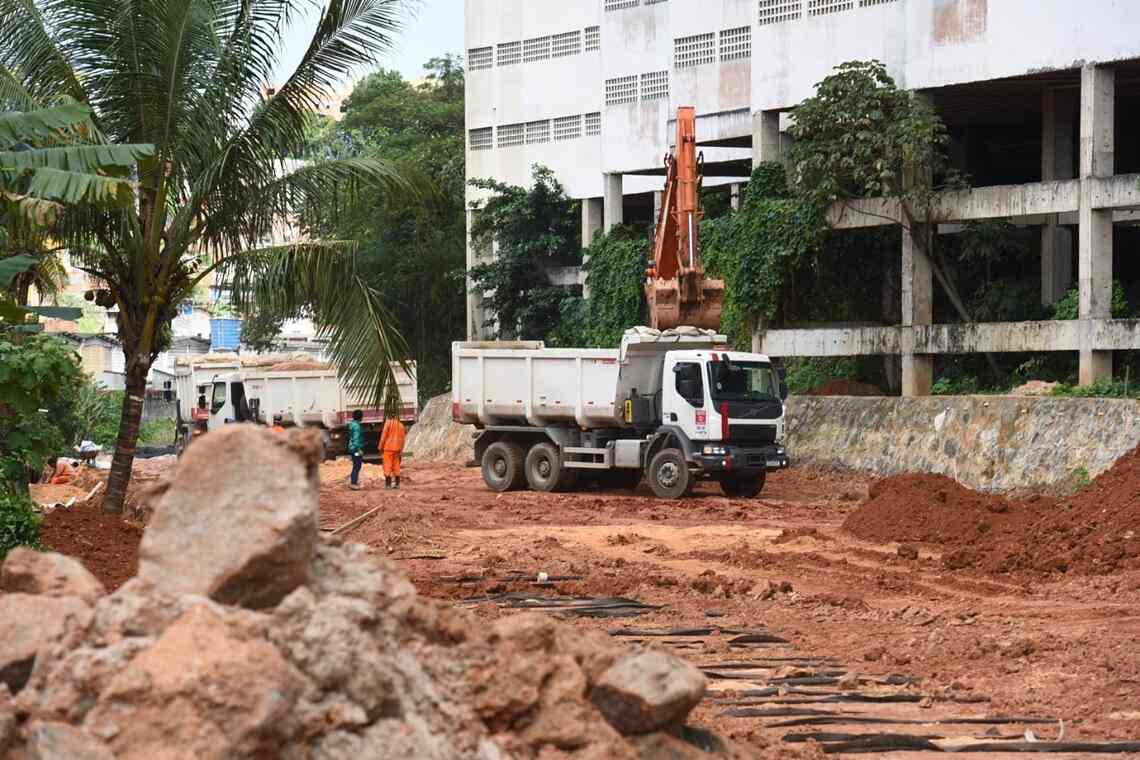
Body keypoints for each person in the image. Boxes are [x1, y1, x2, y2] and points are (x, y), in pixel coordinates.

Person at [379, 415, 407, 490]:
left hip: (388, 448)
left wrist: (380, 447)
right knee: (396, 465)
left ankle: (388, 484)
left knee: (387, 465)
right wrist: (401, 449)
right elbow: (403, 439)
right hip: (397, 449)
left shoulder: (388, 423)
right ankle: (397, 484)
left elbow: (383, 436)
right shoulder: (401, 425)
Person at [347, 409, 365, 490]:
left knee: (356, 465)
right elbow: (356, 438)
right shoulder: (357, 426)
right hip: (355, 449)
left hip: (352, 448)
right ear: (360, 417)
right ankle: (353, 483)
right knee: (357, 465)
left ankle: (354, 482)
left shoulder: (352, 424)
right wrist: (359, 449)